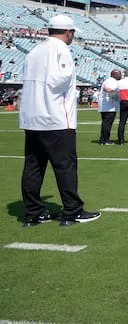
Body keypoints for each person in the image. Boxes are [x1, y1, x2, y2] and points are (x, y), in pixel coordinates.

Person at [19, 14, 101, 227]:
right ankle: (72, 210)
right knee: (65, 166)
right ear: (68, 32)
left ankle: (32, 212)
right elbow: (59, 80)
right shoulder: (60, 49)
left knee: (33, 166)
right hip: (55, 117)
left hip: (32, 116)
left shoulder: (34, 51)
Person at [98, 69, 122, 145]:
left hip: (106, 105)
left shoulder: (109, 80)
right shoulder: (112, 81)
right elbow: (109, 89)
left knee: (105, 123)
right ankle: (105, 140)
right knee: (107, 124)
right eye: (119, 74)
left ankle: (103, 139)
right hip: (109, 106)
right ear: (114, 74)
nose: (120, 75)